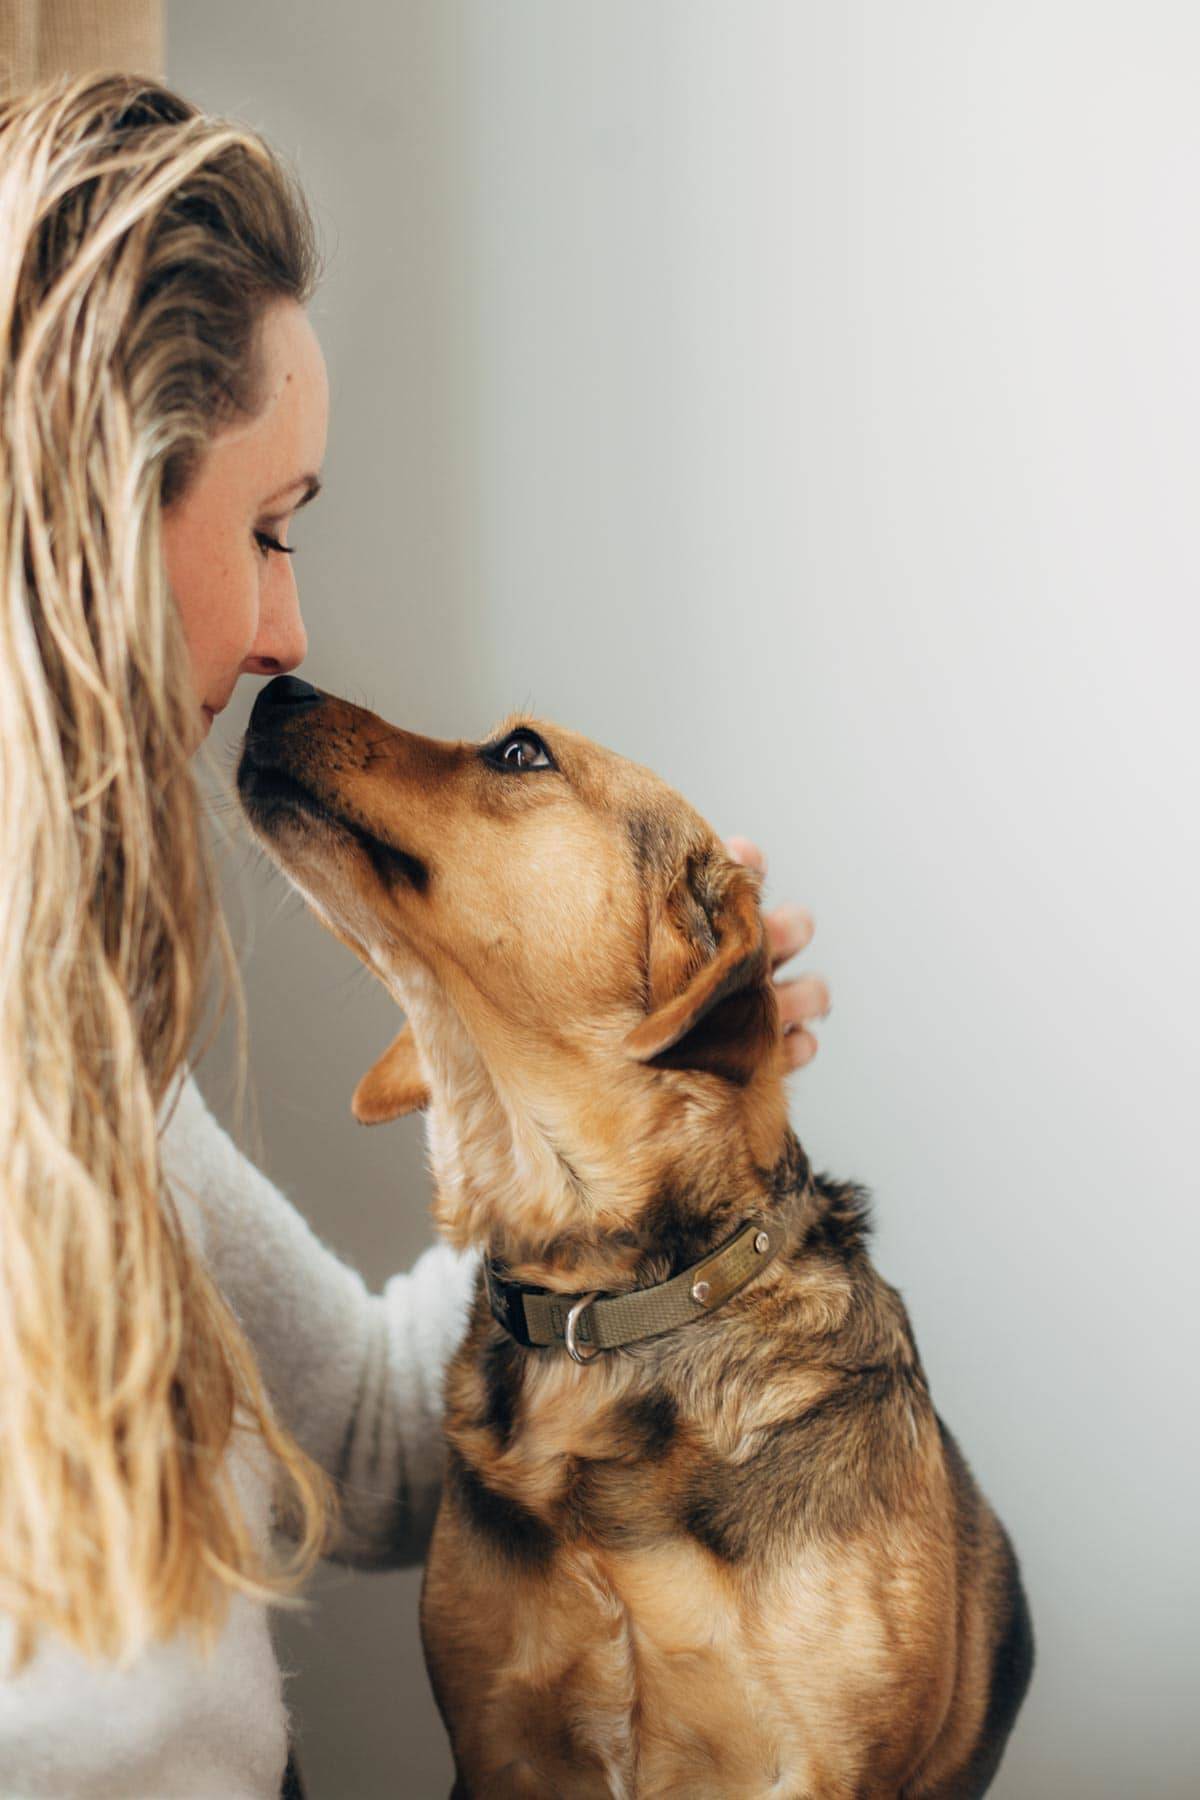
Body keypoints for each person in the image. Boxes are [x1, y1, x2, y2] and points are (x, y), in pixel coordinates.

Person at [0, 73, 829, 1797]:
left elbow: (379, 1447)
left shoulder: (91, 1054)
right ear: (96, 508)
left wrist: (593, 1131)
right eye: (266, 528)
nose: (288, 629)